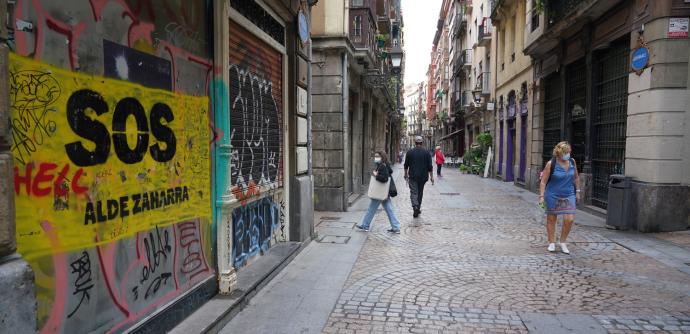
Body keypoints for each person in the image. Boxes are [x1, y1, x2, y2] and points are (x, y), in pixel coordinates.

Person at [539, 141, 581, 254]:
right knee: (552, 219)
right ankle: (552, 242)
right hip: (553, 195)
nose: (568, 154)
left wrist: (577, 191)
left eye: (569, 152)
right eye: (566, 152)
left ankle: (562, 241)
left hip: (569, 194)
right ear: (559, 153)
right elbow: (543, 182)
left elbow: (576, 177)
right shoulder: (551, 164)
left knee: (569, 219)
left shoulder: (572, 162)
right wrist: (542, 196)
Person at [356, 151, 401, 233]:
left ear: (382, 157)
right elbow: (389, 172)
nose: (375, 158)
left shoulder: (382, 166)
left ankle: (365, 225)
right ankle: (396, 227)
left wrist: (376, 175)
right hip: (384, 192)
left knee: (371, 209)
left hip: (380, 192)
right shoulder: (384, 165)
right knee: (389, 210)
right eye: (375, 156)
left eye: (377, 156)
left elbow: (385, 178)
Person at [404, 136, 434, 218]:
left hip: (413, 176)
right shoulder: (427, 153)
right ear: (422, 142)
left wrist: (405, 174)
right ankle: (418, 207)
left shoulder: (410, 152)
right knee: (420, 192)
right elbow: (430, 166)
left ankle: (415, 206)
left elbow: (406, 165)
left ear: (415, 143)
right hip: (423, 177)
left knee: (414, 192)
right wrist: (431, 177)